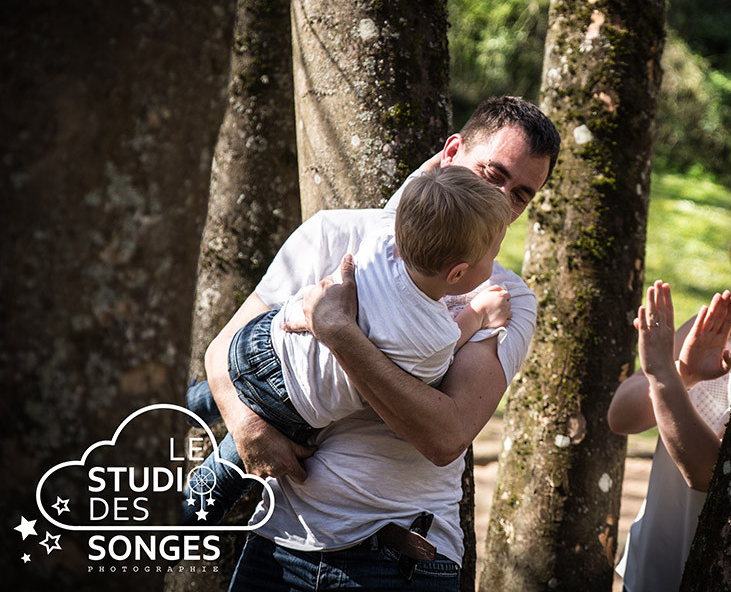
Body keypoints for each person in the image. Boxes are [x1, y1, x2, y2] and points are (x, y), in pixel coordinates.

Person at [203, 96, 560, 590]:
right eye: (493, 173)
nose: (503, 201)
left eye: (521, 194)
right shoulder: (338, 233)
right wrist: (246, 426)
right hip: (278, 546)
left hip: (396, 560)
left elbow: (445, 434)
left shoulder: (505, 299)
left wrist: (339, 333)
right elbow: (222, 350)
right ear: (451, 152)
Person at [183, 167, 512, 526]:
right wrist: (478, 315)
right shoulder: (433, 336)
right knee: (215, 485)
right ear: (457, 274)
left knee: (207, 399)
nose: (495, 262)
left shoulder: (381, 243)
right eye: (493, 255)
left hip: (262, 340)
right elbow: (435, 368)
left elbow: (401, 205)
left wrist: (440, 169)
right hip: (288, 403)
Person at [609, 204, 731, 592]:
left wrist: (666, 378)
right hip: (652, 563)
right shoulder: (715, 332)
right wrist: (683, 374)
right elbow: (620, 418)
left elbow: (706, 475)